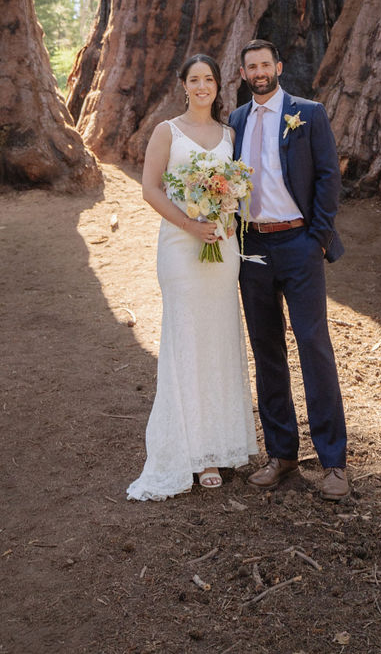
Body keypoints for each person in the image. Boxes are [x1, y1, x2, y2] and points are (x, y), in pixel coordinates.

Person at [127, 53, 257, 499]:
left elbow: (237, 188)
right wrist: (190, 224)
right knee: (186, 341)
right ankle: (192, 453)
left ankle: (220, 445)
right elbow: (149, 188)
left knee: (219, 340)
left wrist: (223, 211)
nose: (202, 86)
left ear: (219, 86)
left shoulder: (229, 135)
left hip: (222, 249)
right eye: (194, 79)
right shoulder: (168, 132)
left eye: (209, 79)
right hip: (182, 250)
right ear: (183, 85)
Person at [229, 38, 350, 500]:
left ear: (278, 66)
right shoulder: (235, 122)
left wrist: (317, 238)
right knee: (266, 351)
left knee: (314, 346)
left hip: (299, 243)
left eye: (265, 64)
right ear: (243, 74)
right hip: (253, 247)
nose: (259, 71)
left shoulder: (308, 113)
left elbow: (327, 175)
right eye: (251, 66)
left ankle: (334, 461)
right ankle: (281, 454)